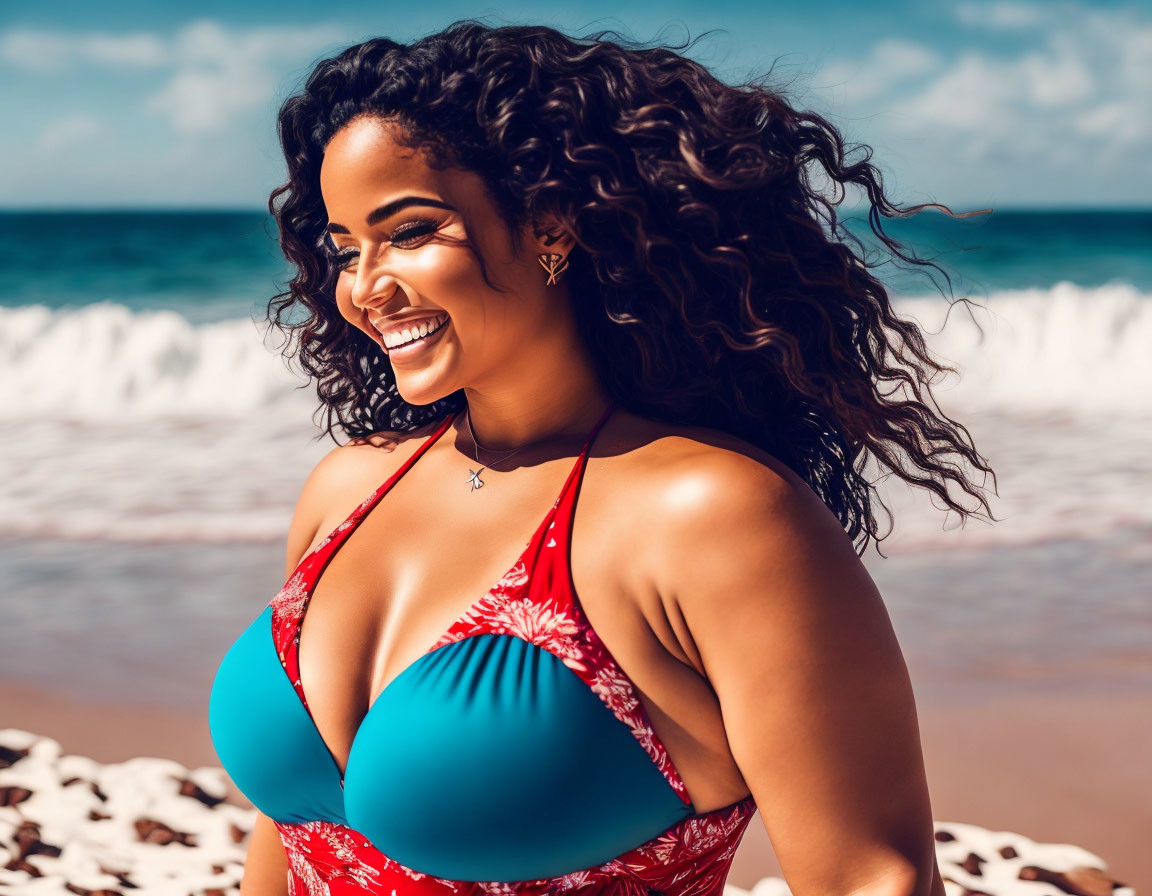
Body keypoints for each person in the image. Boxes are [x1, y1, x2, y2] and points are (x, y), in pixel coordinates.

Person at [208, 19, 996, 896]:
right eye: (346, 247)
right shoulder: (348, 487)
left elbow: (872, 879)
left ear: (551, 226)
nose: (365, 287)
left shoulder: (713, 517)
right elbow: (287, 834)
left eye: (412, 231)